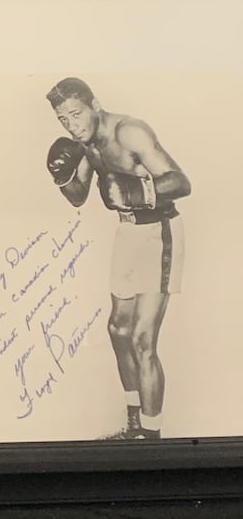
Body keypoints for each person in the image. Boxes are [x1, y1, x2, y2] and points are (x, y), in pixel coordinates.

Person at [46, 77, 191, 439]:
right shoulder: (87, 145)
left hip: (160, 233)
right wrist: (61, 176)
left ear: (94, 104)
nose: (72, 125)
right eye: (64, 120)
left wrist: (136, 190)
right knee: (118, 331)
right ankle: (133, 426)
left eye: (77, 114)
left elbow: (181, 182)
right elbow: (79, 196)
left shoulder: (130, 132)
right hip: (127, 234)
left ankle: (152, 436)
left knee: (143, 339)